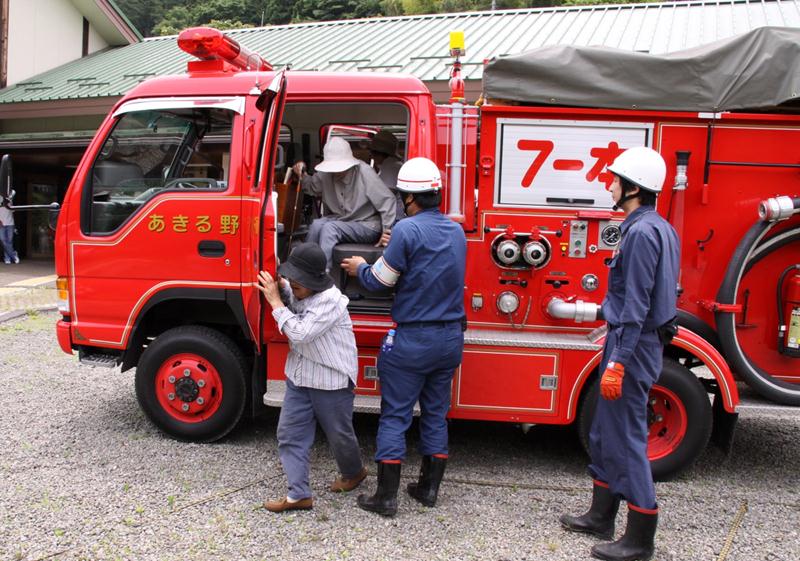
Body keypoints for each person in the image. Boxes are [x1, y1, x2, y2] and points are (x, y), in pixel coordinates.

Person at [560, 147, 680, 561]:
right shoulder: (656, 227)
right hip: (631, 340)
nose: (608, 185)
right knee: (603, 432)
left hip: (634, 343)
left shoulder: (643, 233)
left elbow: (637, 304)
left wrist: (619, 360)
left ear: (632, 188)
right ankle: (600, 515)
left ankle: (640, 539)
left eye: (614, 180)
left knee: (627, 437)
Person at [340, 157, 466, 517]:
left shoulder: (407, 230)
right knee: (436, 414)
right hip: (450, 339)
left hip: (414, 338)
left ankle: (386, 497)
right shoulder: (456, 231)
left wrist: (359, 267)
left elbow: (380, 282)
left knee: (395, 415)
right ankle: (427, 489)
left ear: (409, 198)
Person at [257, 242, 366, 513]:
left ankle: (354, 473)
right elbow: (293, 302)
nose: (293, 284)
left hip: (331, 379)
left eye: (297, 281)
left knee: (339, 435)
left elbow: (300, 333)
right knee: (289, 434)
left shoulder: (330, 301)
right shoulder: (302, 292)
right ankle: (298, 495)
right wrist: (282, 289)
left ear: (315, 282)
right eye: (291, 278)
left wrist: (275, 301)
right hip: (300, 375)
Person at [291, 137, 396, 270]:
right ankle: (303, 269)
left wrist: (387, 232)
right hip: (343, 220)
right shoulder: (326, 174)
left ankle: (323, 276)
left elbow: (387, 200)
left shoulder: (364, 172)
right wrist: (301, 174)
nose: (336, 171)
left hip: (368, 223)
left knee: (330, 229)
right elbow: (311, 186)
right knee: (316, 225)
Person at [369, 130, 404, 221]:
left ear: (381, 153)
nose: (372, 157)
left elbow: (384, 196)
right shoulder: (392, 165)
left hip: (394, 218)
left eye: (373, 153)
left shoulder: (391, 167)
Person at [0, 197, 19, 265]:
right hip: (1, 224)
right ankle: (14, 255)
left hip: (10, 224)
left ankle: (7, 258)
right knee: (3, 241)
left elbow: (13, 213)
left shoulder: (9, 201)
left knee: (9, 241)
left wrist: (14, 226)